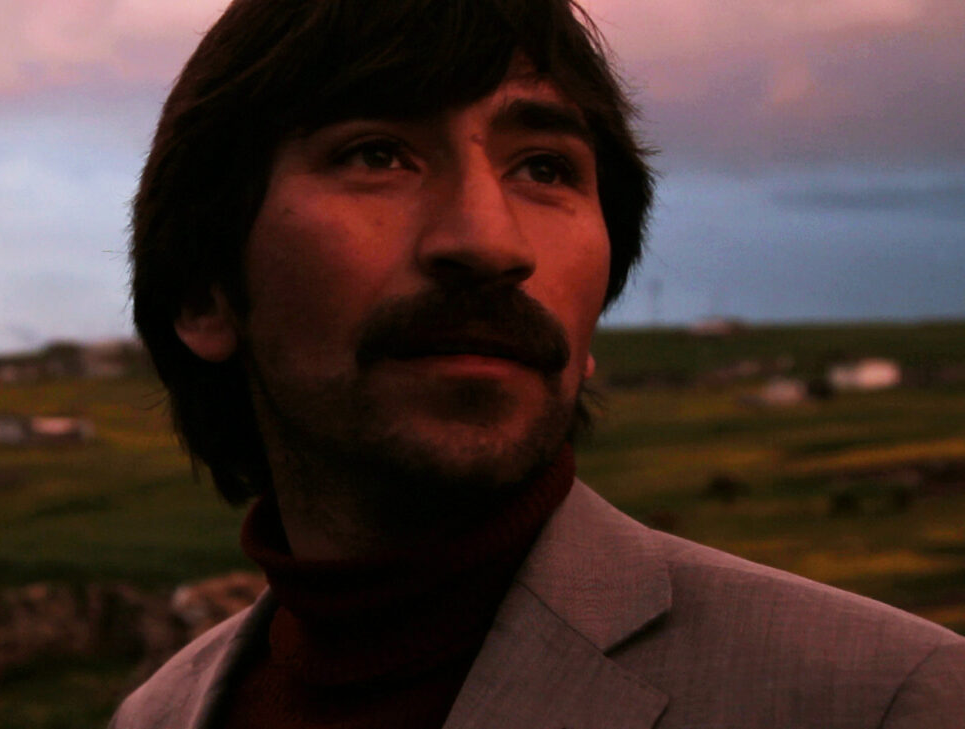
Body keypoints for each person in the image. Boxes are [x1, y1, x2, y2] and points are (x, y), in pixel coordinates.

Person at [114, 0, 965, 726]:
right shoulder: (157, 714)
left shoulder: (886, 700)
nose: (491, 242)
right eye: (376, 153)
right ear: (203, 292)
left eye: (545, 168)